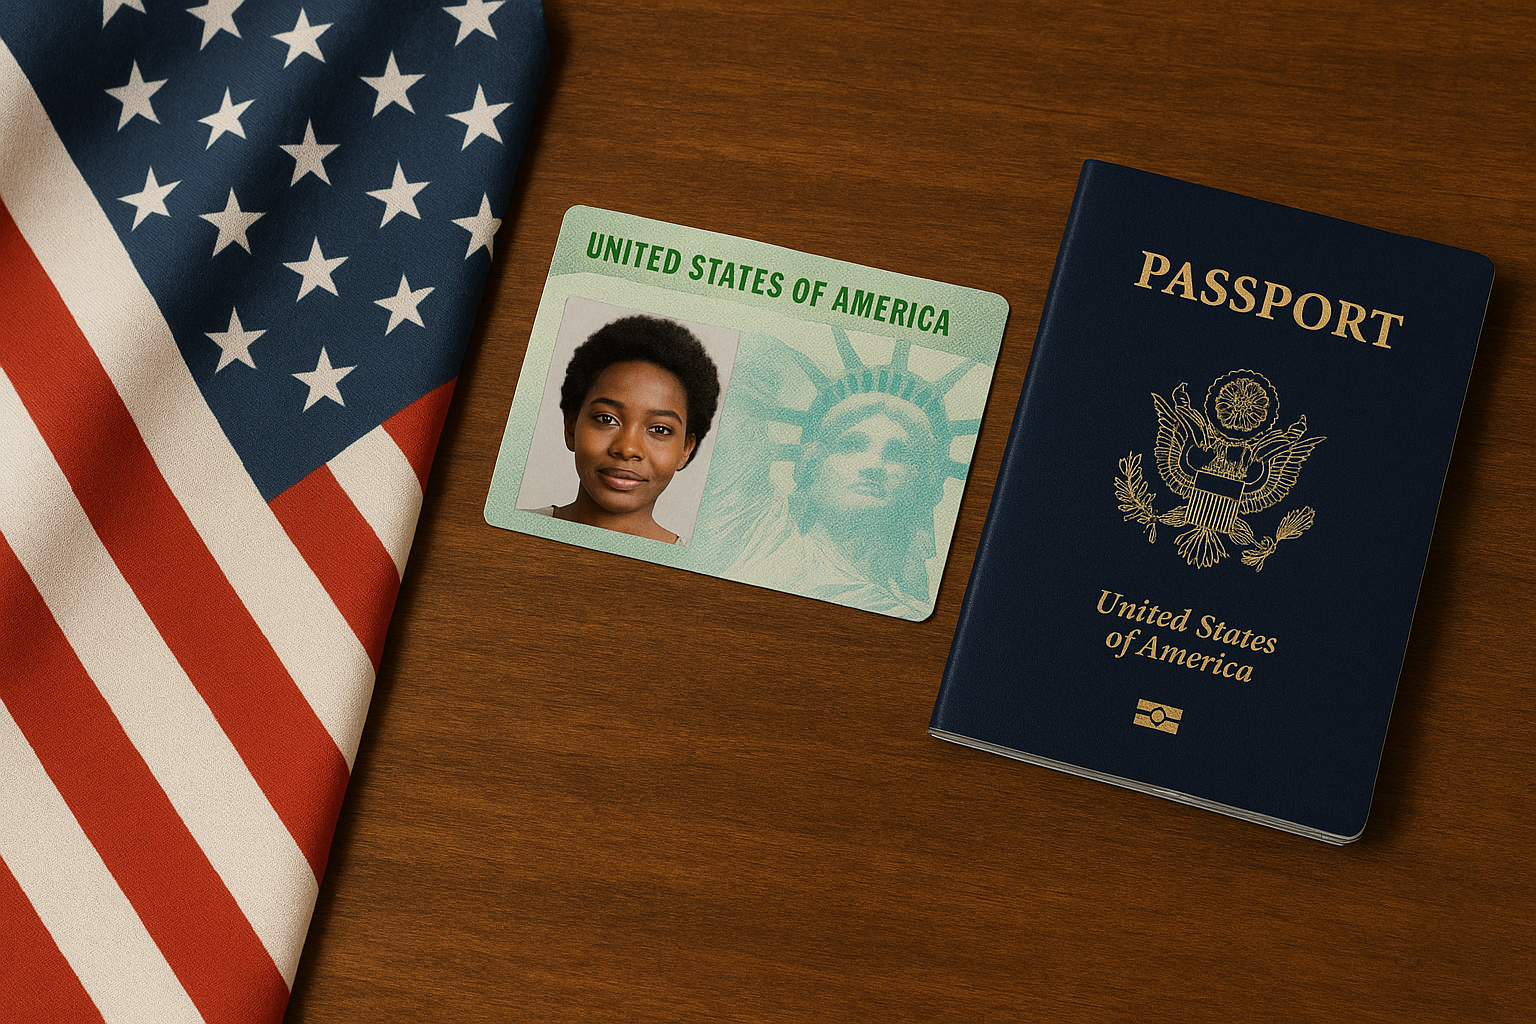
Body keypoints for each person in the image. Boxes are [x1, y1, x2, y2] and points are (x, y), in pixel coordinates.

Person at [532, 314, 721, 544]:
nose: (628, 448)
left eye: (660, 430)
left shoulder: (699, 571)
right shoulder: (510, 530)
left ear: (685, 450)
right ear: (571, 427)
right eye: (606, 419)